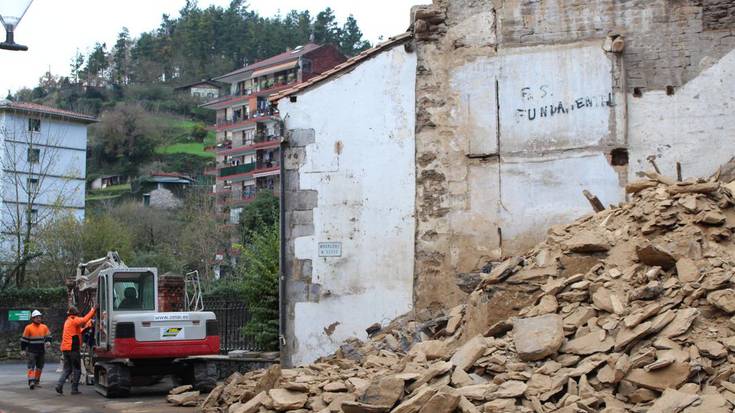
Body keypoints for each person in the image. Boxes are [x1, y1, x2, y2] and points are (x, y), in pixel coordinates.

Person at [55, 305, 96, 395]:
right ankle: (74, 389)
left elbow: (79, 331)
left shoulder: (68, 321)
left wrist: (88, 326)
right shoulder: (74, 319)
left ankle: (59, 385)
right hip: (72, 348)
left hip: (65, 348)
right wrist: (93, 310)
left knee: (67, 369)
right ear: (74, 313)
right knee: (77, 369)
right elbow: (84, 320)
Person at [20, 310, 51, 390]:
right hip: (31, 351)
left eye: (40, 317)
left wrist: (48, 342)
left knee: (39, 367)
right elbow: (24, 340)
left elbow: (48, 336)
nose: (39, 319)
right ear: (33, 318)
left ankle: (37, 381)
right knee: (31, 367)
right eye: (37, 317)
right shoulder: (28, 327)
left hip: (41, 351)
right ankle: (31, 382)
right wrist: (23, 350)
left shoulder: (44, 327)